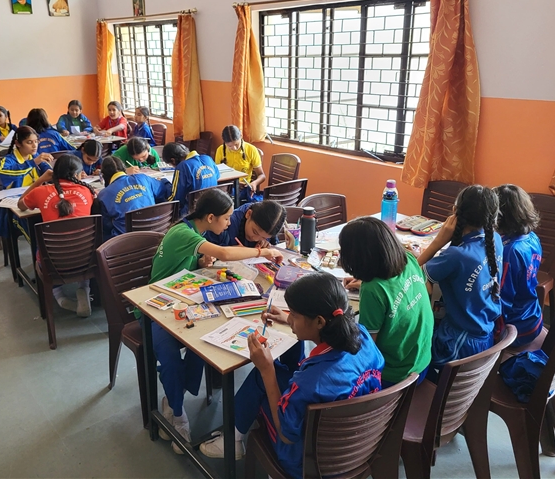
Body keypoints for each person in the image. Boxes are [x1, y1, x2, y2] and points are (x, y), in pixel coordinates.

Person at [199, 273, 384, 472]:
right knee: (283, 365)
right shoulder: (362, 335)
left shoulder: (311, 382)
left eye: (294, 315)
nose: (289, 318)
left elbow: (286, 435)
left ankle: (233, 439)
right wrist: (291, 321)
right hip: (356, 444)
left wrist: (267, 371)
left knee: (260, 377)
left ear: (320, 322)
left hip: (306, 461)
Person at [150, 188, 284, 454]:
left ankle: (175, 397)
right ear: (211, 217)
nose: (228, 223)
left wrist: (200, 261)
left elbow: (190, 262)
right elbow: (224, 253)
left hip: (184, 298)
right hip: (156, 304)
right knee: (170, 358)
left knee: (203, 343)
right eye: (226, 218)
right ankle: (178, 414)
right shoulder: (183, 232)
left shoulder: (196, 231)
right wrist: (263, 253)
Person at [339, 216, 433, 386]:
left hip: (396, 377)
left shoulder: (372, 289)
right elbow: (422, 289)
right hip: (422, 362)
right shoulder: (409, 259)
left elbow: (368, 348)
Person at [417, 185, 503, 368]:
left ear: (454, 212)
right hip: (484, 333)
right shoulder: (495, 239)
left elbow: (413, 276)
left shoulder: (457, 255)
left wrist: (438, 241)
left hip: (457, 345)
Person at [19, 155, 97, 317]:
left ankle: (60, 297)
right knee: (81, 240)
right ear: (77, 175)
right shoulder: (88, 191)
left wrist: (40, 180)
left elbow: (21, 204)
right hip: (87, 259)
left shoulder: (41, 192)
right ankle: (84, 288)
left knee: (40, 247)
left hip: (53, 263)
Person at [494, 184, 544, 348]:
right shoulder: (531, 237)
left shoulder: (509, 252)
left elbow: (501, 299)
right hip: (532, 315)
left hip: (516, 329)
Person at [97, 156, 171, 239]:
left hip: (127, 241)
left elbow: (105, 227)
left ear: (103, 176)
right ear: (124, 169)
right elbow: (163, 190)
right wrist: (163, 180)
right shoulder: (143, 178)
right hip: (157, 233)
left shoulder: (104, 195)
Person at [162, 142, 220, 216]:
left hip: (192, 211)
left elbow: (176, 198)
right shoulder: (207, 158)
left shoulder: (182, 166)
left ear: (173, 160)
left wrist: (165, 182)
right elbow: (217, 176)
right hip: (212, 205)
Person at [214, 125, 266, 203]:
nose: (234, 148)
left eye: (236, 144)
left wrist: (254, 183)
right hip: (227, 187)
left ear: (241, 136)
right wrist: (234, 183)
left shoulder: (251, 150)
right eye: (230, 146)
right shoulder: (220, 150)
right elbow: (217, 175)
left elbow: (262, 175)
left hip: (243, 188)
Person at [205, 200, 286, 249]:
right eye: (255, 232)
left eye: (263, 237)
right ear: (248, 214)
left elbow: (274, 245)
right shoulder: (226, 224)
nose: (255, 239)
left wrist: (266, 244)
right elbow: (206, 254)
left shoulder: (270, 228)